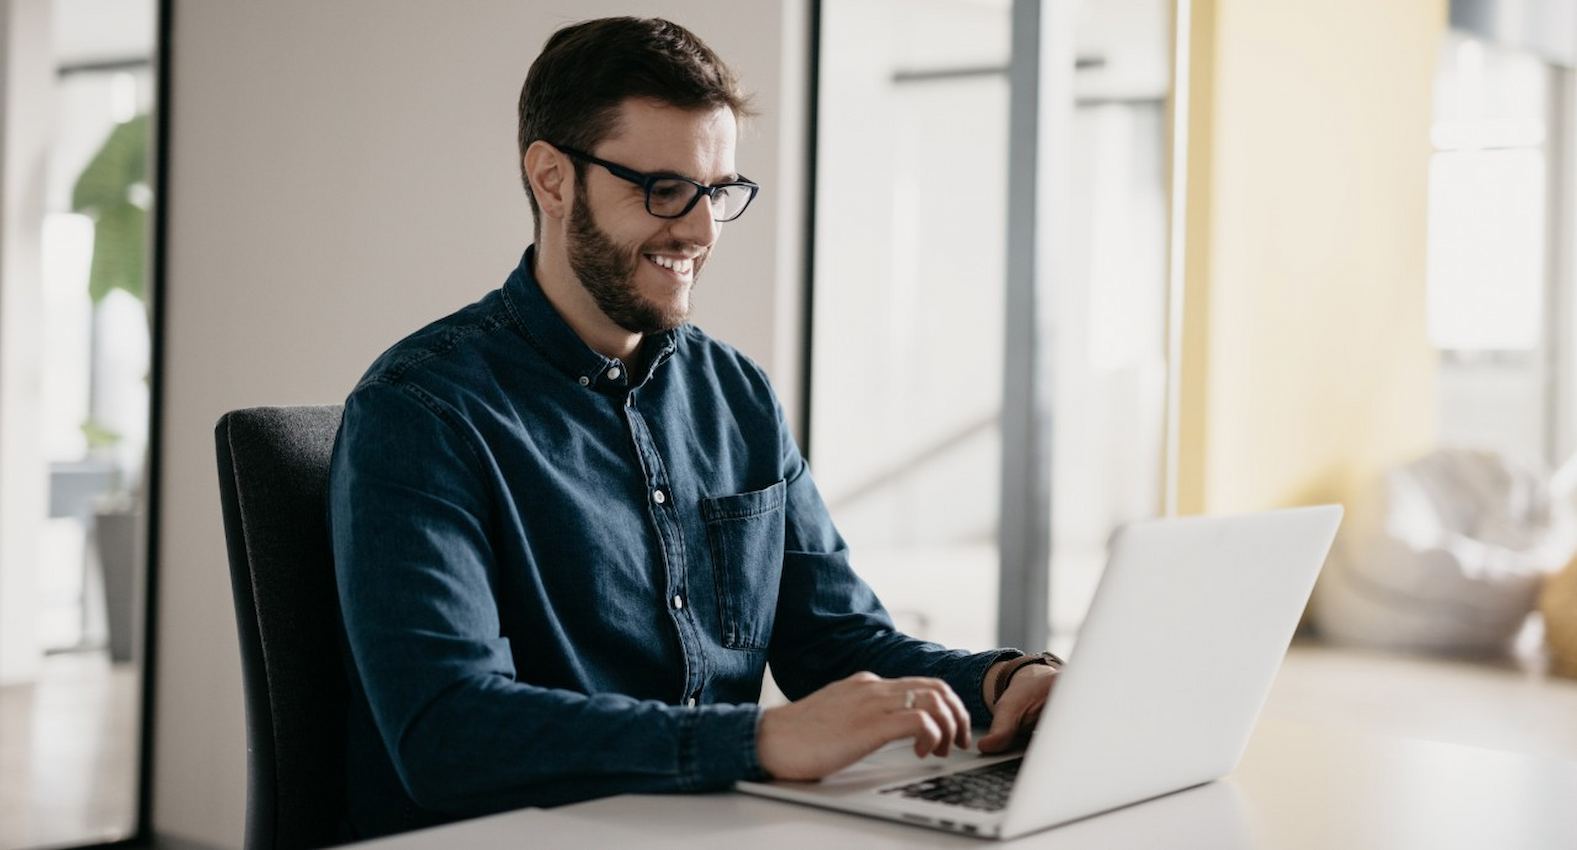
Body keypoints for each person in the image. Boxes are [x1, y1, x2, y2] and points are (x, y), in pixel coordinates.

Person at [328, 15, 1060, 840]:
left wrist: (1000, 682)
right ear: (552, 179)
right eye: (665, 190)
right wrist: (758, 739)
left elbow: (833, 639)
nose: (702, 231)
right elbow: (448, 733)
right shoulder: (420, 411)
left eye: (718, 192)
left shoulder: (736, 394)